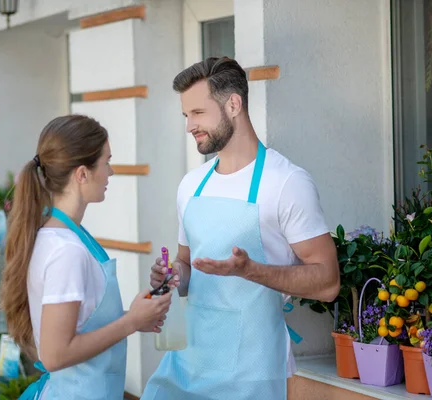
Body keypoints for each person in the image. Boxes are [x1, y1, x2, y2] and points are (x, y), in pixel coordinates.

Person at [141, 57, 340, 400]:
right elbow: (186, 265)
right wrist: (172, 276)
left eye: (198, 113)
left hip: (251, 378)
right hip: (185, 367)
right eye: (186, 115)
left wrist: (251, 271)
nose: (189, 126)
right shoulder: (190, 186)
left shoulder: (286, 183)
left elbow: (328, 283)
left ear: (233, 104)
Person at [0, 115, 172, 400]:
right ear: (82, 174)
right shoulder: (66, 251)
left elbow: (81, 324)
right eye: (106, 162)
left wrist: (139, 316)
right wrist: (129, 323)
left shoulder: (68, 235)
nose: (111, 172)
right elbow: (55, 355)